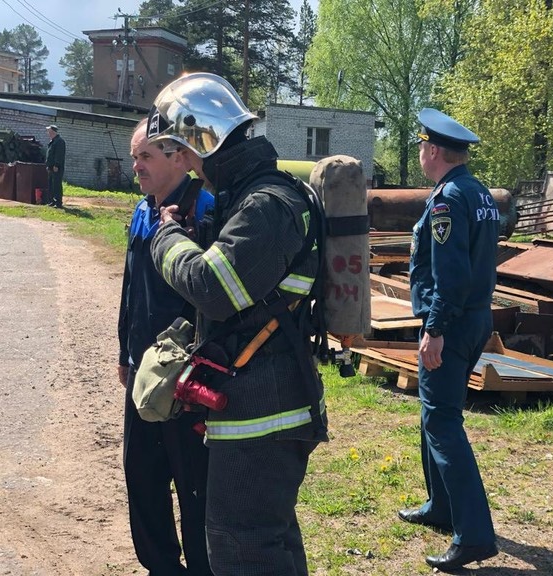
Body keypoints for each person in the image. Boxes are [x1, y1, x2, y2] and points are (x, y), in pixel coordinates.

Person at [146, 72, 328, 576]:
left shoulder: (266, 205)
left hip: (263, 412)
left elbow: (214, 288)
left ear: (203, 141)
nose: (184, 165)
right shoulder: (249, 196)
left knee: (242, 549)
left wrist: (168, 240)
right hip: (262, 403)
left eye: (182, 151)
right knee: (269, 543)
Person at [398, 107, 499, 572]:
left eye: (422, 145)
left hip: (451, 323)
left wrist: (434, 329)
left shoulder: (447, 201)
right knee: (433, 414)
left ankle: (474, 535)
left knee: (442, 424)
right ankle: (440, 505)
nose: (419, 151)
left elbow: (452, 275)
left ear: (434, 150)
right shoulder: (478, 193)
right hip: (474, 318)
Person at [117, 120, 214, 576]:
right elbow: (130, 287)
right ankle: (161, 566)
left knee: (194, 483)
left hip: (188, 380)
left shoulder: (207, 210)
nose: (136, 166)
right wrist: (124, 351)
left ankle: (201, 567)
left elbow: (218, 296)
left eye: (145, 157)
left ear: (178, 156)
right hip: (143, 371)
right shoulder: (142, 210)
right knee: (142, 473)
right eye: (135, 157)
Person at [45, 124, 66, 208]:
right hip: (50, 167)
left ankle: (58, 202)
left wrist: (56, 165)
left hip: (56, 167)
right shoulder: (52, 141)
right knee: (51, 184)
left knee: (56, 184)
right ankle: (52, 201)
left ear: (52, 131)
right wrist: (48, 165)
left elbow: (59, 155)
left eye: (48, 131)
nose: (47, 133)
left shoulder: (59, 141)